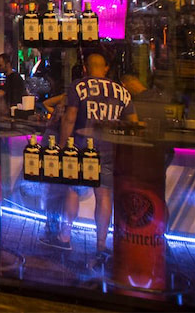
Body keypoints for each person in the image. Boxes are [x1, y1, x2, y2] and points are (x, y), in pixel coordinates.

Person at [57, 53, 138, 272]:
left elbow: (70, 118)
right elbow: (133, 124)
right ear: (106, 68)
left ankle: (65, 237)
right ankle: (101, 244)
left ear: (85, 68)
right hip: (109, 150)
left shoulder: (79, 86)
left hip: (82, 147)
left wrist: (62, 147)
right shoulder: (121, 91)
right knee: (104, 196)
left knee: (73, 191)